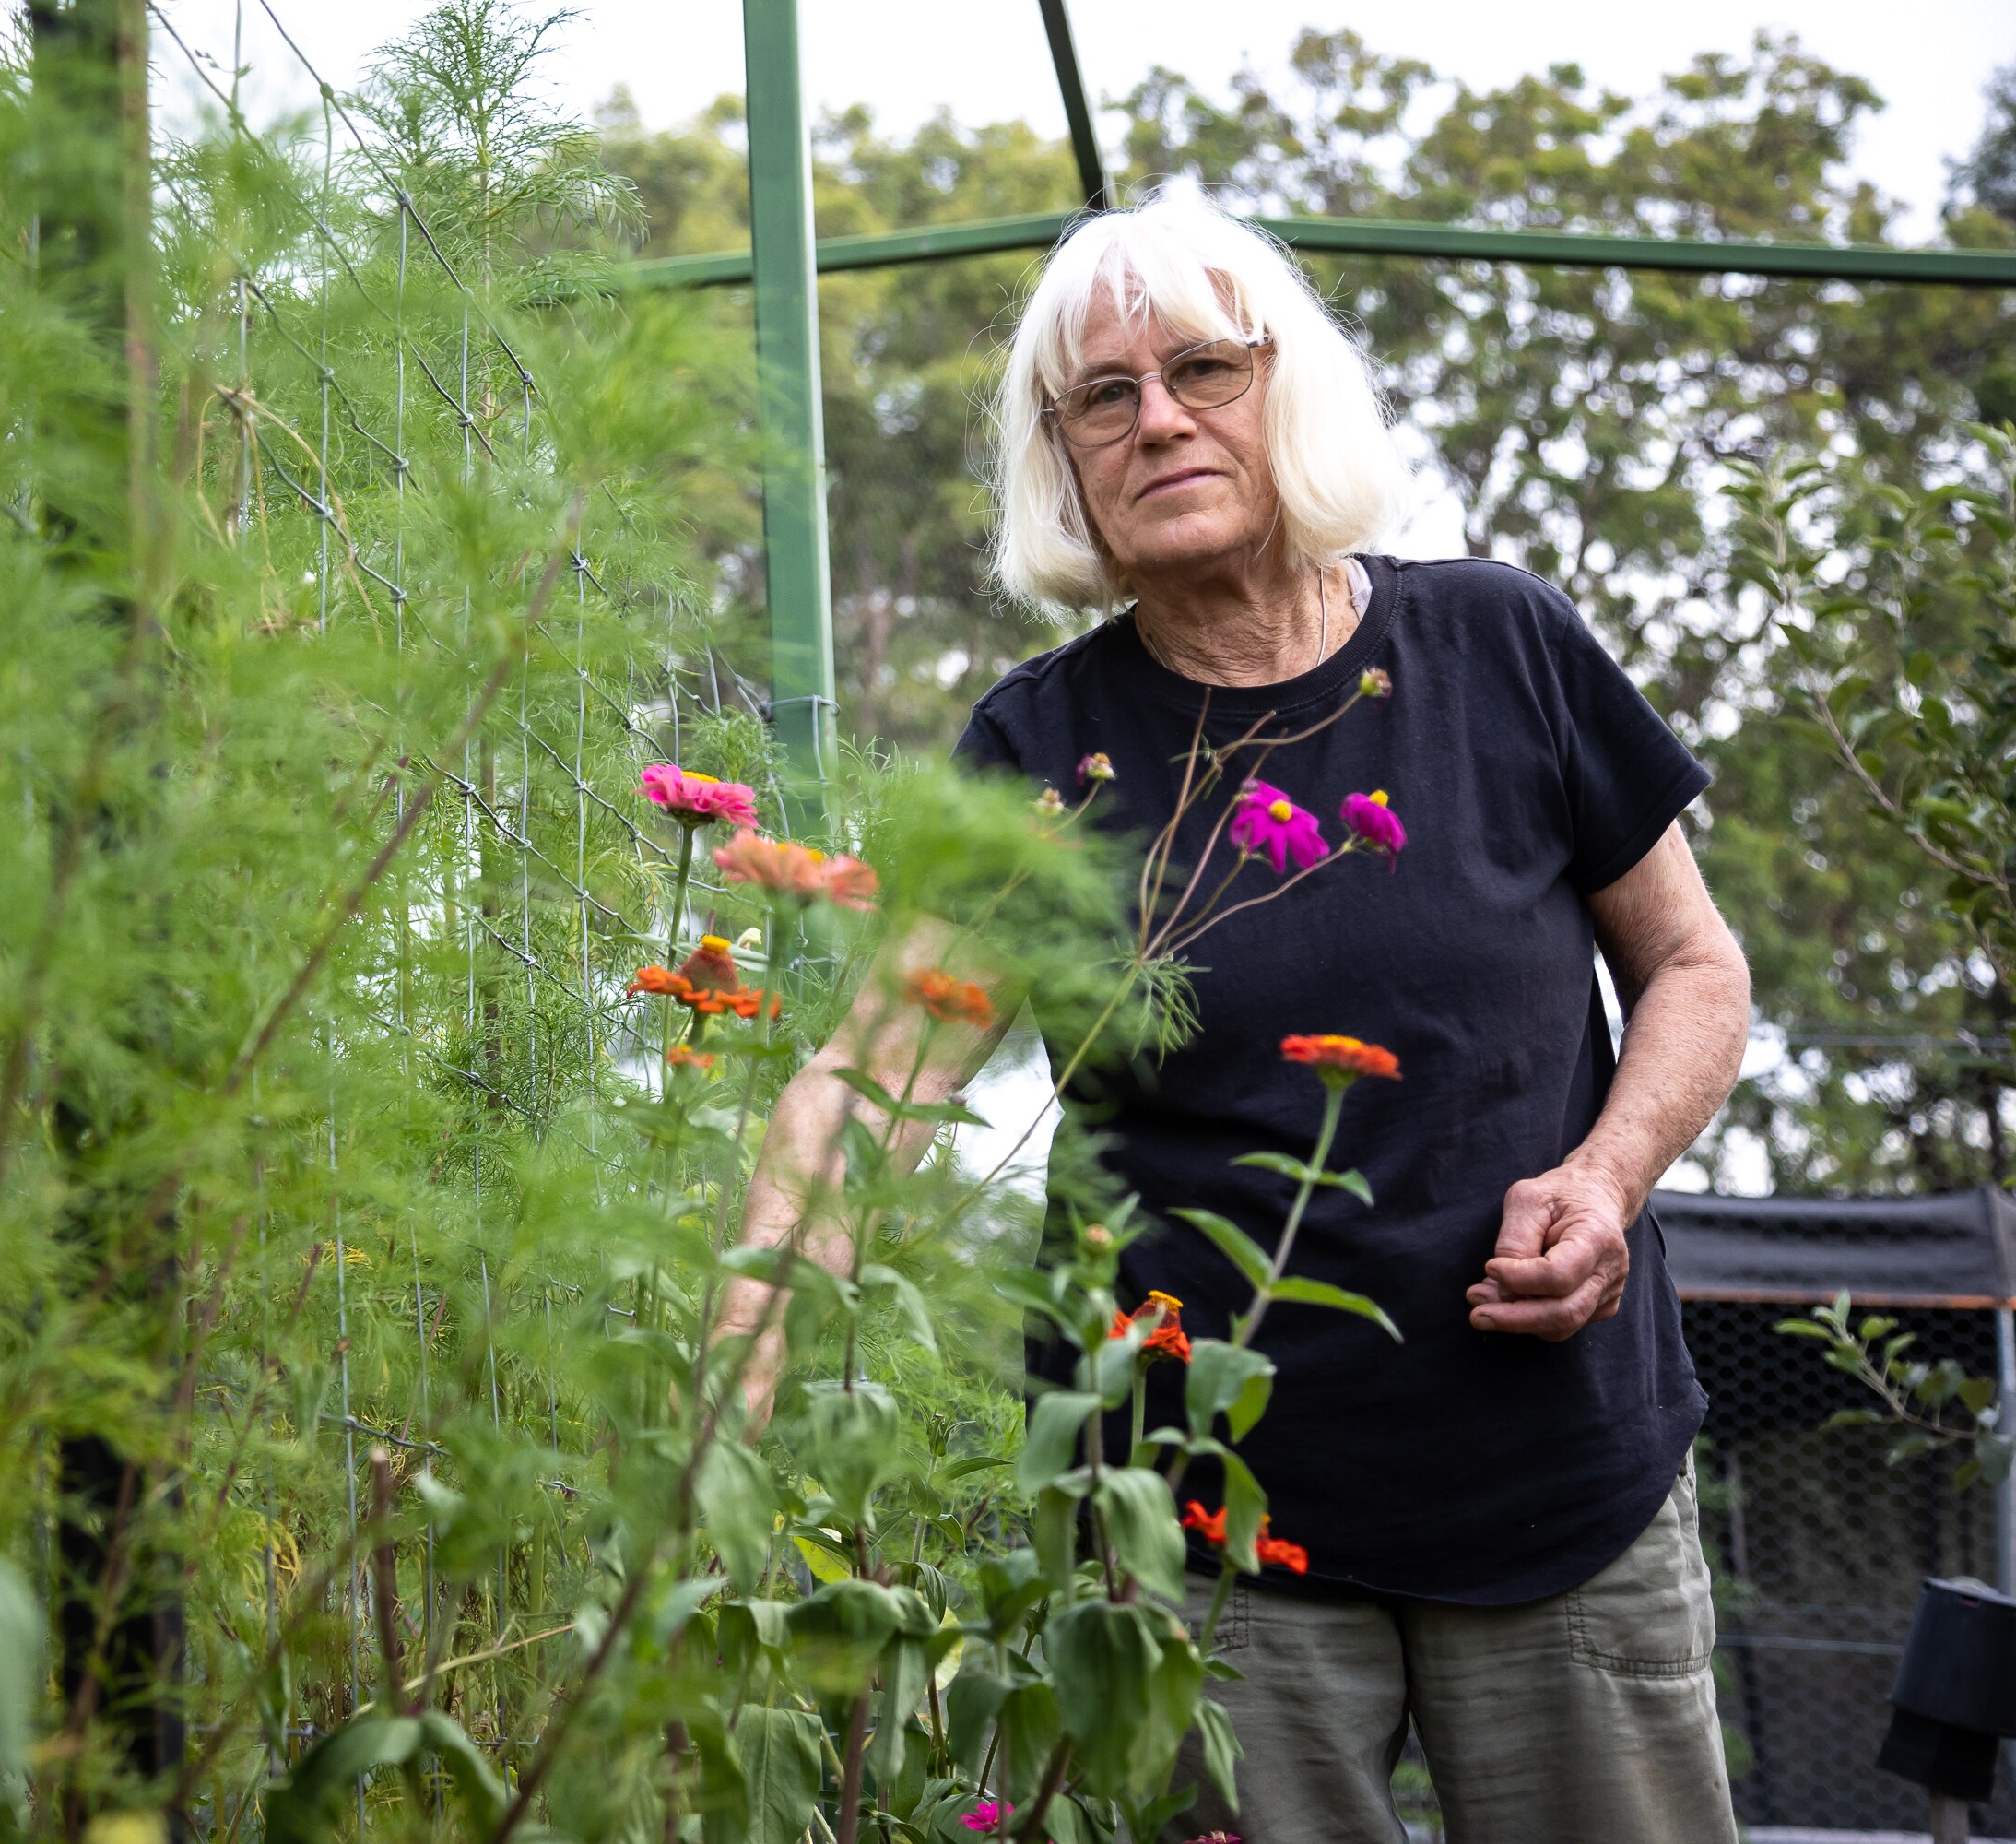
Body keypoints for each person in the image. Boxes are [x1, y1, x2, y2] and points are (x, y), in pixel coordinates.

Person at [706, 185, 1753, 1841]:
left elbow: (1695, 967)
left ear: (1293, 387)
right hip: (1197, 1527)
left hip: (1558, 1480)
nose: (1159, 419)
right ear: (1063, 456)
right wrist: (735, 1373)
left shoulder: (1503, 648)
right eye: (1103, 395)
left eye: (1202, 367)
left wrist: (1611, 1176)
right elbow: (871, 1073)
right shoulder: (1041, 755)